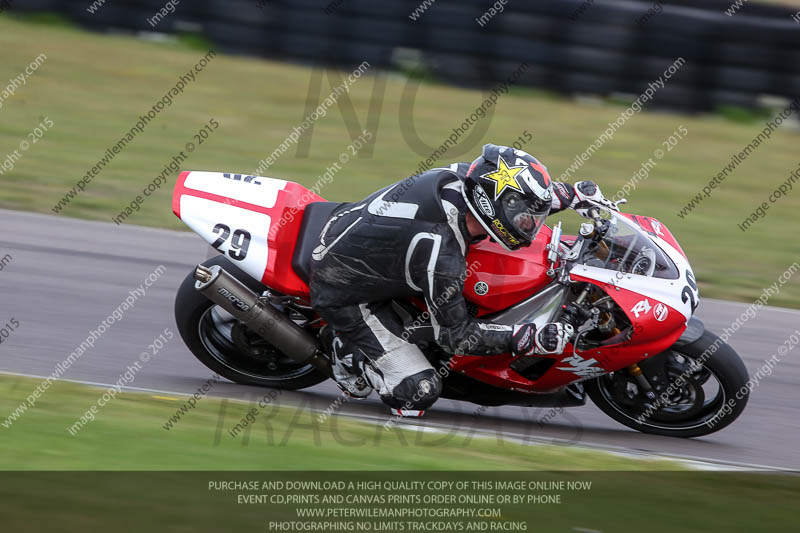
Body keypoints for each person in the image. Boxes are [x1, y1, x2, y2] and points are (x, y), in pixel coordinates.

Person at [309, 143, 617, 416]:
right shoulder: (442, 254)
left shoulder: (464, 179)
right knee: (419, 392)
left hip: (362, 239)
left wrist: (571, 194)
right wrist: (528, 338)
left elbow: (512, 196)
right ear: (490, 205)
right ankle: (348, 352)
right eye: (523, 214)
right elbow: (455, 336)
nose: (530, 223)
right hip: (346, 291)